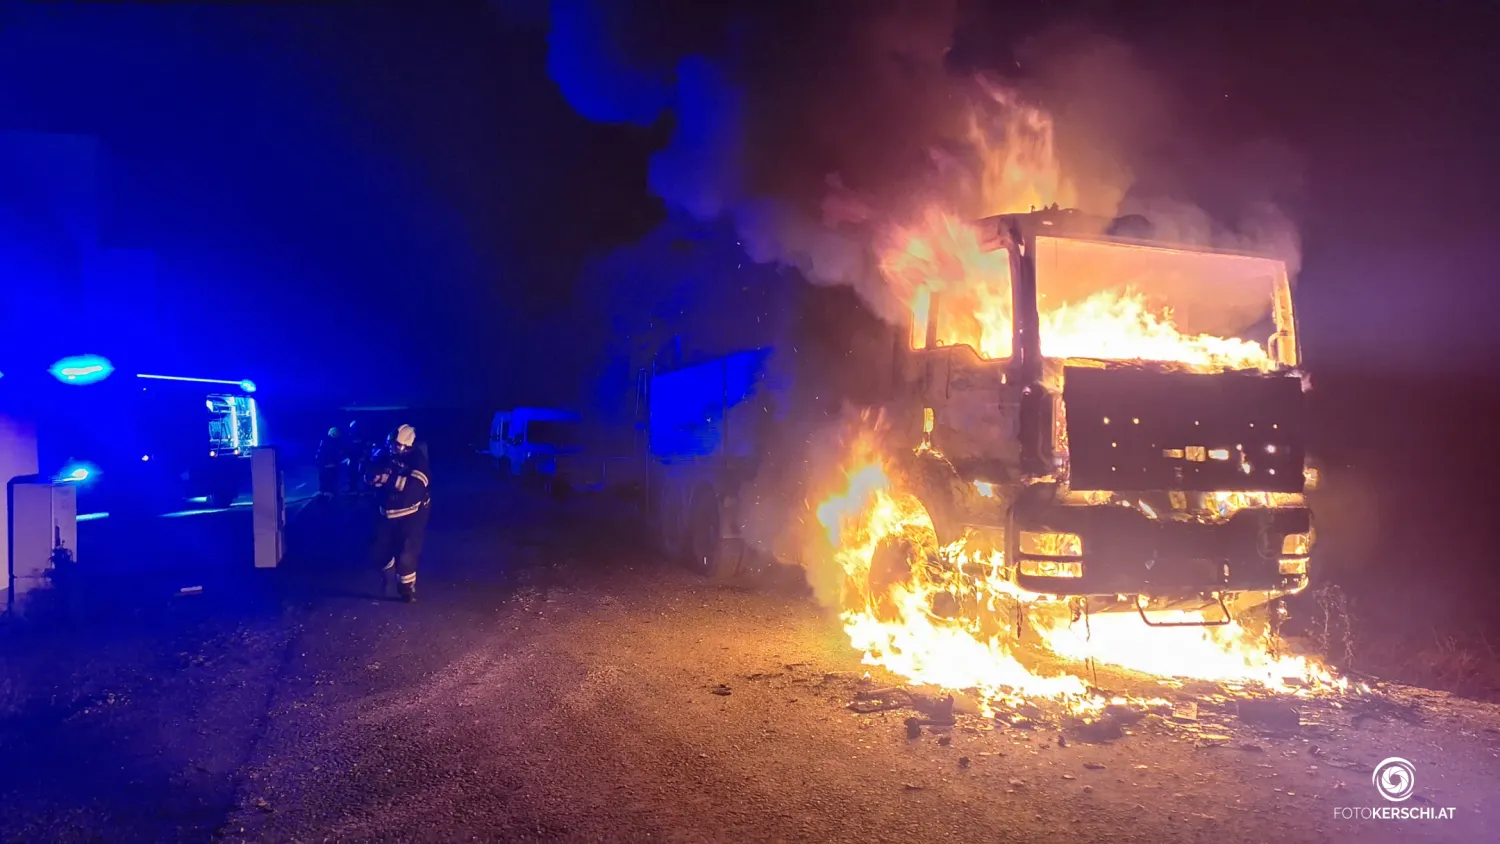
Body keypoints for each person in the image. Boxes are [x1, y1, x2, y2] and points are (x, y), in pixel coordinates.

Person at [367, 424, 430, 602]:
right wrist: (371, 477)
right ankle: (387, 577)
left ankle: (407, 590)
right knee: (378, 549)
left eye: (397, 446)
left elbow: (414, 488)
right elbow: (369, 470)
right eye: (392, 444)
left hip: (411, 515)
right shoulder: (383, 454)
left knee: (406, 552)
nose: (393, 449)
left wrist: (387, 479)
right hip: (385, 513)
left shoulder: (417, 460)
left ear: (407, 446)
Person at [315, 426, 344, 497]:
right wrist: (331, 463)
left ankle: (323, 490)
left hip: (325, 465)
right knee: (329, 478)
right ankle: (327, 491)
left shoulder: (325, 441)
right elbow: (331, 454)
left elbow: (320, 454)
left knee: (325, 478)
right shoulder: (331, 442)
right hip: (329, 464)